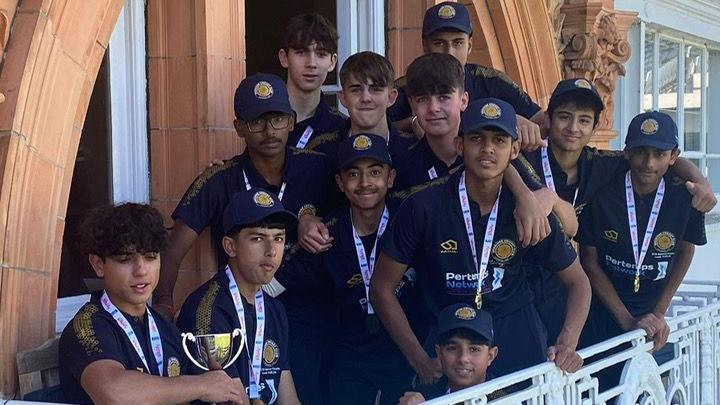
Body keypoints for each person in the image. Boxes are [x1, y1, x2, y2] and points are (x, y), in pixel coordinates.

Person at [371, 98, 591, 385]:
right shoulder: (423, 206)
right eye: (477, 138)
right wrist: (419, 359)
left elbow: (579, 282)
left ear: (514, 149)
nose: (487, 149)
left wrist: (567, 341)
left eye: (499, 140)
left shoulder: (528, 212)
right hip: (449, 344)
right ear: (460, 145)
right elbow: (381, 288)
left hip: (515, 338)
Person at [514, 78, 717, 345]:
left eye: (584, 120)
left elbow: (660, 162)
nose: (574, 128)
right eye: (564, 117)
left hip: (563, 285)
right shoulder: (523, 158)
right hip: (516, 280)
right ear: (548, 119)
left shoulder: (602, 165)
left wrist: (702, 182)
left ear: (594, 126)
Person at [272, 134, 416, 404]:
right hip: (348, 356)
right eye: (353, 174)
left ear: (391, 177)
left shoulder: (409, 218)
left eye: (375, 172)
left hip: (404, 351)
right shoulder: (326, 232)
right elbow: (272, 285)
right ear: (339, 182)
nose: (364, 184)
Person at [59, 203, 246, 405]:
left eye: (150, 257)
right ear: (98, 265)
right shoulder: (88, 326)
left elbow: (208, 387)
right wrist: (202, 385)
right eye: (125, 259)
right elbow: (114, 394)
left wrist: (226, 390)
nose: (141, 271)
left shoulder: (166, 329)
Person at [577, 111, 707, 352]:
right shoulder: (602, 192)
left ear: (673, 156)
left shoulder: (686, 196)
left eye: (659, 154)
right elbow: (588, 259)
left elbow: (686, 252)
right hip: (601, 314)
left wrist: (658, 313)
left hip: (654, 318)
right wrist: (627, 320)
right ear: (627, 152)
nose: (649, 163)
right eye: (641, 152)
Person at [177, 189, 301, 405]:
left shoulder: (274, 310)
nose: (271, 250)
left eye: (278, 238)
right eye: (257, 238)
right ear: (230, 246)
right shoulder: (208, 309)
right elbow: (231, 398)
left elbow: (287, 396)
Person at [389, 1, 545, 150]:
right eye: (439, 43)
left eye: (457, 43)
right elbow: (374, 130)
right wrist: (412, 123)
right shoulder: (407, 86)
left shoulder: (492, 81)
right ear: (425, 45)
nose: (449, 52)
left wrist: (509, 120)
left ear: (469, 45)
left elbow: (544, 121)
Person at [398, 304, 499, 404]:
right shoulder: (421, 397)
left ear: (490, 356)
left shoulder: (509, 398)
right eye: (452, 348)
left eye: (474, 349)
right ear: (439, 353)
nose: (463, 358)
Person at [280, 13, 347, 149]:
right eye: (301, 52)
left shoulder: (343, 129)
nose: (311, 63)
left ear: (332, 62)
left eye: (321, 54)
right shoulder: (264, 123)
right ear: (284, 58)